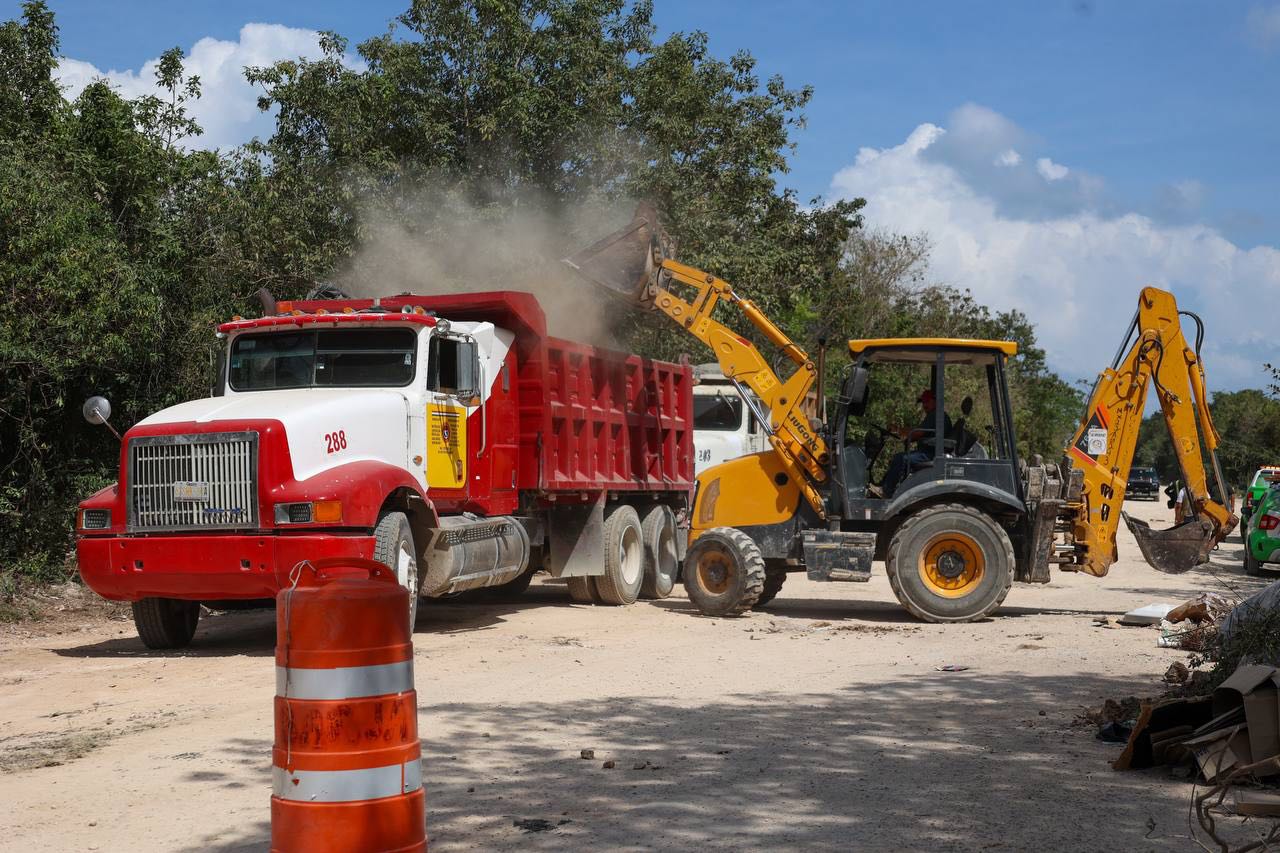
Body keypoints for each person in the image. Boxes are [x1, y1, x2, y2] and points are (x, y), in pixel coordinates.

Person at [882, 388, 952, 496]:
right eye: (923, 402)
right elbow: (920, 433)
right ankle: (891, 488)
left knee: (900, 458)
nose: (924, 405)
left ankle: (886, 491)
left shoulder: (936, 415)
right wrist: (907, 435)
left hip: (931, 454)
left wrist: (898, 430)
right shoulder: (933, 415)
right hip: (929, 452)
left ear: (935, 401)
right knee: (900, 458)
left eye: (927, 401)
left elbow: (918, 433)